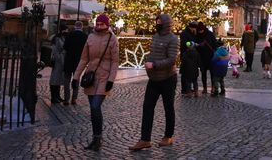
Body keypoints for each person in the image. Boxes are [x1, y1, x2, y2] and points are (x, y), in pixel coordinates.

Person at [129, 14, 179, 151]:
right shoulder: (156, 36)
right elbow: (152, 53)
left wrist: (155, 64)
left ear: (166, 24)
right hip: (154, 79)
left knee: (168, 107)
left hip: (168, 78)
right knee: (147, 107)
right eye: (156, 21)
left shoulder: (173, 39)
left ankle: (168, 136)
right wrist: (148, 61)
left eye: (159, 22)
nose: (157, 24)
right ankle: (145, 139)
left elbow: (172, 60)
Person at [72, 14, 119, 151]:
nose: (99, 26)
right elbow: (83, 59)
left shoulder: (112, 39)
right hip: (91, 77)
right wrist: (76, 77)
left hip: (104, 77)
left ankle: (98, 138)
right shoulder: (90, 37)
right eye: (97, 24)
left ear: (107, 25)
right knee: (93, 110)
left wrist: (111, 80)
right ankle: (96, 138)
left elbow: (115, 61)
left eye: (102, 24)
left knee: (95, 106)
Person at [63, 21, 88, 105]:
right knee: (76, 79)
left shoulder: (69, 35)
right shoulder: (85, 36)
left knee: (66, 80)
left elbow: (65, 47)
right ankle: (74, 99)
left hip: (68, 60)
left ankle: (66, 99)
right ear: (81, 27)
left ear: (74, 26)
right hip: (79, 61)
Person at [195, 22, 217, 93]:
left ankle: (213, 87)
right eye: (199, 30)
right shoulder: (197, 35)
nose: (200, 31)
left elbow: (215, 44)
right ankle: (205, 88)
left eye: (201, 30)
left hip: (210, 56)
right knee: (203, 73)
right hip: (202, 57)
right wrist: (199, 46)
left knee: (212, 73)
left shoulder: (210, 34)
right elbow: (196, 45)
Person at [49, 23, 68, 104]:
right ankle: (53, 97)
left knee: (59, 79)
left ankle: (57, 96)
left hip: (62, 61)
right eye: (66, 29)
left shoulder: (63, 38)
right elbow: (56, 51)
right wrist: (61, 57)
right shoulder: (57, 39)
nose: (67, 31)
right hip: (58, 61)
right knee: (55, 79)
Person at [179, 21, 198, 94]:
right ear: (191, 28)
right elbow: (184, 44)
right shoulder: (184, 33)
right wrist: (193, 44)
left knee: (191, 72)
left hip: (192, 55)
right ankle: (184, 89)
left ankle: (189, 88)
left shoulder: (192, 33)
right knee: (185, 73)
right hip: (185, 56)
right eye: (194, 28)